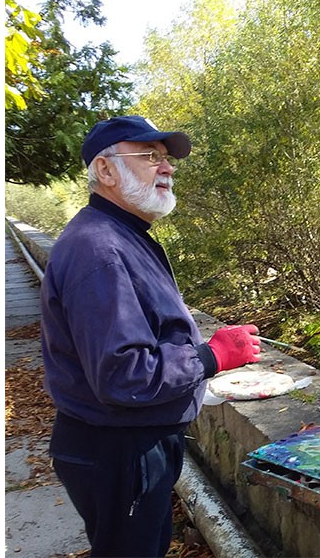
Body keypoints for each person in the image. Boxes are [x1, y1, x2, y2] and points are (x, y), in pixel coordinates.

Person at [40, 115, 262, 557]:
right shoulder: (99, 249)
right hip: (118, 449)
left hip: (125, 445)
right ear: (105, 170)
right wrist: (212, 356)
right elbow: (124, 375)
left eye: (166, 157)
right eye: (149, 156)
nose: (167, 167)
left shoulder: (119, 235)